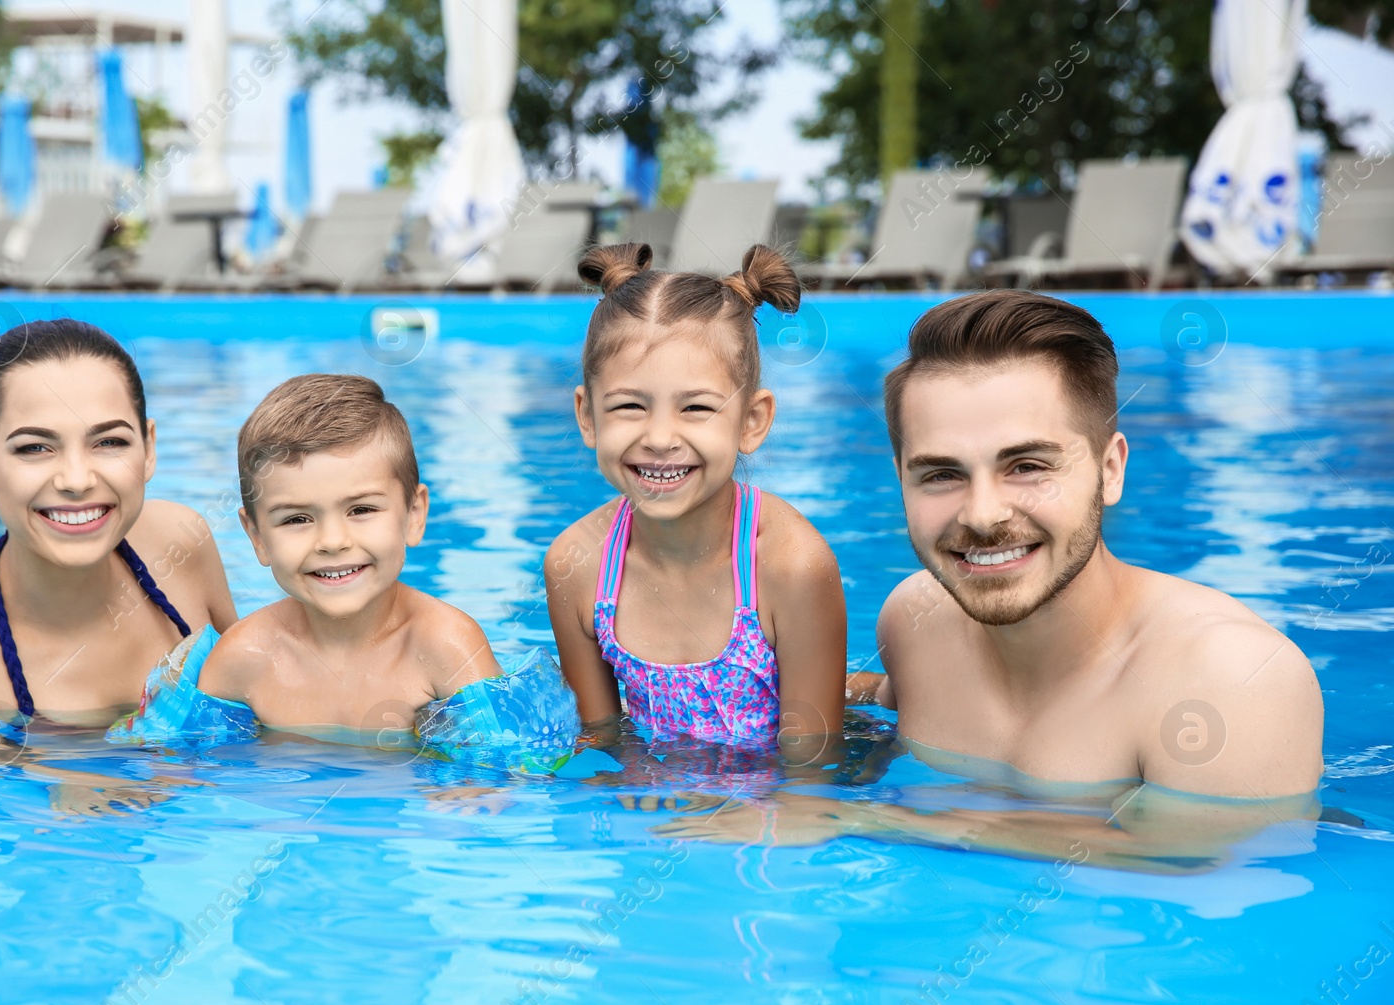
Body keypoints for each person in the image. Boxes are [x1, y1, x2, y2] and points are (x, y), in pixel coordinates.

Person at [655, 290, 1324, 866]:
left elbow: (1194, 863)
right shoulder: (915, 621)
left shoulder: (1232, 679)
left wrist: (853, 818)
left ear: (1111, 469)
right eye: (942, 474)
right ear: (902, 483)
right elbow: (874, 701)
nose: (982, 514)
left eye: (1028, 465)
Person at [544, 243, 848, 754]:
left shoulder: (791, 566)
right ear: (587, 416)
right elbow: (602, 744)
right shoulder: (576, 567)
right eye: (630, 406)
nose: (661, 437)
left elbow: (810, 775)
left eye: (697, 408)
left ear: (752, 422)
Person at [0, 319, 237, 728]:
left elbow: (256, 698)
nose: (77, 480)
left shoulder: (180, 542)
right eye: (35, 448)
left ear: (149, 447)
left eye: (109, 442)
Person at [196, 374, 501, 731]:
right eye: (297, 518)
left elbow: (490, 777)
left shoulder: (446, 647)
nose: (332, 540)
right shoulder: (241, 659)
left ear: (414, 515)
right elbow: (199, 771)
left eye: (361, 510)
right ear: (257, 537)